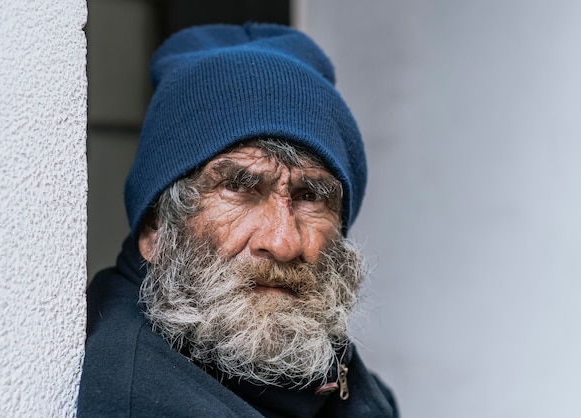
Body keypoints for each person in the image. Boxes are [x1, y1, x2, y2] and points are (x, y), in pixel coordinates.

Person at [78, 23, 398, 417]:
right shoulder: (137, 399)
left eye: (310, 196)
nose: (282, 243)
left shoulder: (331, 370)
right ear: (156, 225)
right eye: (239, 188)